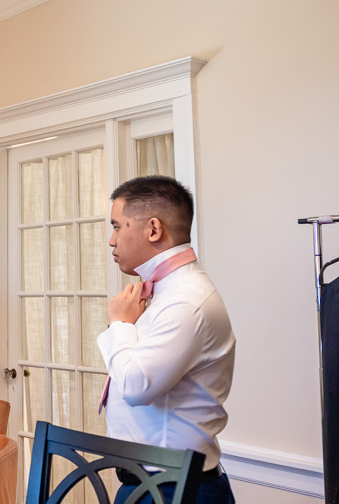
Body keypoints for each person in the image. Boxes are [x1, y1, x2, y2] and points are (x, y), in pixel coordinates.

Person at [97, 176, 236, 504]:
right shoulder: (163, 292)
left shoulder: (186, 301)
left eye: (117, 226)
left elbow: (134, 386)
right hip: (149, 483)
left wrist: (119, 324)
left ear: (153, 229)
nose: (111, 240)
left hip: (176, 489)